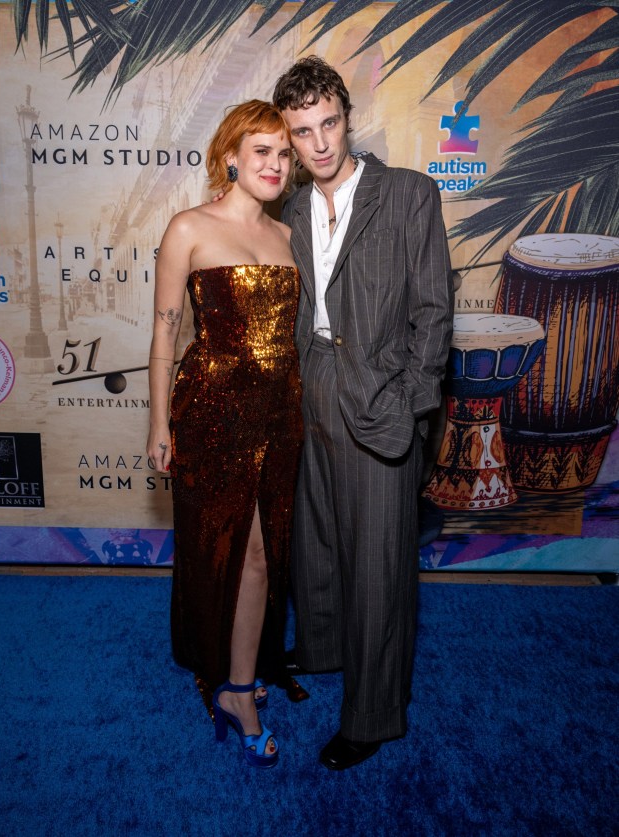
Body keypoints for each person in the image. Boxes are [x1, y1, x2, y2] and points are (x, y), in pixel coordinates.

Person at [273, 57, 454, 770]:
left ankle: (373, 715)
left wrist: (410, 406)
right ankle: (320, 648)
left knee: (379, 563)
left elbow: (435, 315)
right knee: (315, 535)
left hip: (379, 391)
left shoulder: (408, 195)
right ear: (288, 139)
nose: (319, 144)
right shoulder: (287, 207)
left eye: (328, 124)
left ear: (346, 116)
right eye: (302, 132)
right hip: (310, 377)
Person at [146, 100, 304, 768]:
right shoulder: (189, 227)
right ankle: (235, 688)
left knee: (266, 554)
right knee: (226, 550)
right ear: (230, 156)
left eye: (284, 152)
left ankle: (242, 669)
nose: (275, 163)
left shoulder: (286, 237)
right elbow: (163, 334)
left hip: (278, 415)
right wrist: (158, 421)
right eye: (260, 150)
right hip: (212, 413)